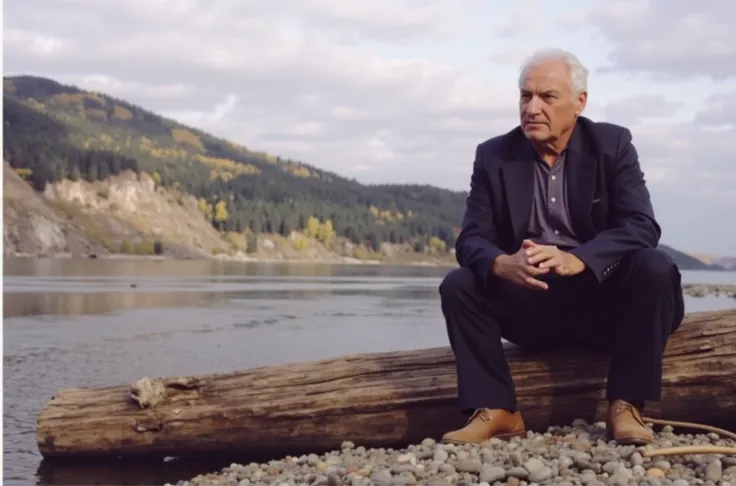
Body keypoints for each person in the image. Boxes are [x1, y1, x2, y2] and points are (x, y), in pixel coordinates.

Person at [438, 48, 685, 446]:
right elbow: (471, 239)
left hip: (606, 305)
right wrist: (503, 264)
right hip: (534, 303)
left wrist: (580, 259)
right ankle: (497, 409)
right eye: (525, 96)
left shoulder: (612, 143)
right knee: (459, 284)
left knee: (655, 267)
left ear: (579, 102)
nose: (532, 108)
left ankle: (626, 405)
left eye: (547, 97)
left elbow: (642, 225)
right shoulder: (493, 155)